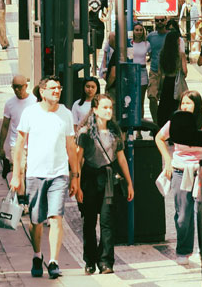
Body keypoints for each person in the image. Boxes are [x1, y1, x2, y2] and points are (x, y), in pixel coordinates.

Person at [11, 75, 79, 281]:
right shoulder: (30, 113)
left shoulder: (66, 114)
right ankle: (37, 255)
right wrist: (17, 175)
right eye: (52, 88)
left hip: (59, 174)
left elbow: (70, 147)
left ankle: (54, 262)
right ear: (42, 92)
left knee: (56, 218)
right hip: (35, 173)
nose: (57, 91)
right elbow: (20, 145)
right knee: (36, 220)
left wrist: (75, 175)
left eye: (59, 88)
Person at [75, 93, 134, 275]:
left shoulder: (115, 130)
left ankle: (106, 261)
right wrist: (76, 184)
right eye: (105, 108)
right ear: (95, 110)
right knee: (90, 221)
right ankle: (90, 260)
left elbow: (121, 158)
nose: (109, 111)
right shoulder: (85, 132)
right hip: (90, 178)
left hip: (108, 178)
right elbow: (78, 159)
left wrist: (130, 183)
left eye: (110, 108)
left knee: (108, 221)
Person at [156, 90, 202, 264]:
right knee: (183, 215)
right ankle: (183, 250)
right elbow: (159, 138)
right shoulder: (176, 122)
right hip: (180, 170)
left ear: (197, 105)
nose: (185, 106)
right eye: (183, 103)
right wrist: (168, 161)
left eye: (189, 103)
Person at [0, 75, 36, 176]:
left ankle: (27, 191)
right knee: (19, 170)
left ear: (26, 86)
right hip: (16, 143)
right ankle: (20, 192)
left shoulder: (35, 101)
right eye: (14, 87)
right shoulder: (9, 103)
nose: (17, 89)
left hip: (33, 143)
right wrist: (1, 147)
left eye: (20, 87)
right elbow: (5, 126)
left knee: (31, 173)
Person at [156, 29, 188, 129]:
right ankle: (175, 130)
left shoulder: (162, 53)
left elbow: (160, 73)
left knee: (165, 107)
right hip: (176, 83)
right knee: (175, 107)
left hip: (166, 83)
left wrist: (159, 88)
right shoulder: (180, 54)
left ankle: (165, 130)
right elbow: (185, 71)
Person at [88, 0, 108, 69]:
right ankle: (89, 63)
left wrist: (105, 17)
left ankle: (94, 64)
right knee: (90, 45)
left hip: (99, 25)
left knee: (98, 46)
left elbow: (107, 10)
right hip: (89, 24)